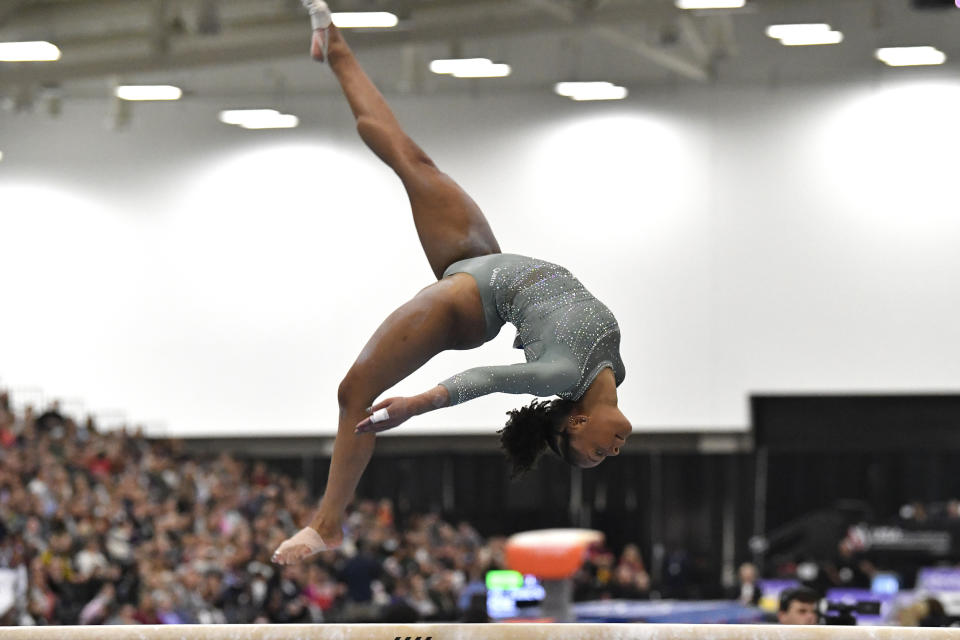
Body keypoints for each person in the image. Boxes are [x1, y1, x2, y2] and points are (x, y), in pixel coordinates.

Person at [272, 0, 631, 565]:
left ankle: (327, 523)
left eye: (592, 455)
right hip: (485, 260)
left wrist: (415, 404)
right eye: (601, 456)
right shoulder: (616, 368)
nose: (609, 452)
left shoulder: (562, 374)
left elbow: (486, 377)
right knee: (410, 158)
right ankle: (335, 48)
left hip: (468, 304)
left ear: (577, 422)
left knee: (353, 394)